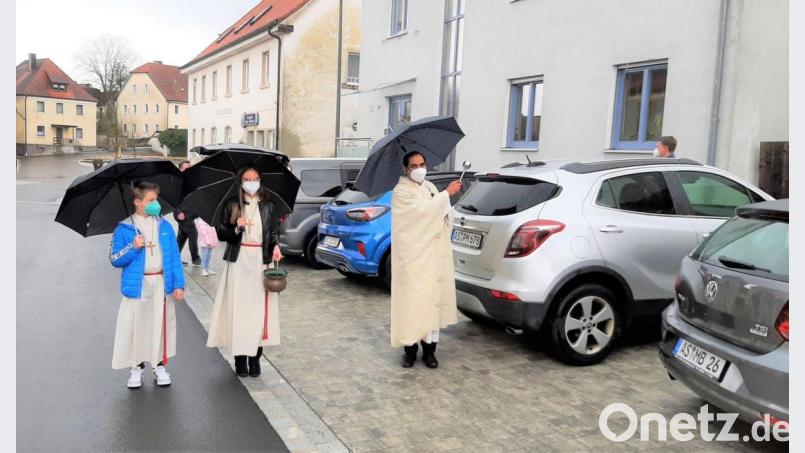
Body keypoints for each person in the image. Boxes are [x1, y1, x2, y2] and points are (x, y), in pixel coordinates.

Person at [206, 167, 284, 378]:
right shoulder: (232, 204)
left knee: (258, 312)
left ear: (260, 180)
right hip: (239, 261)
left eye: (255, 178)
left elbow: (274, 231)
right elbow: (222, 234)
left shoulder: (268, 205)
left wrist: (276, 247)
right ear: (240, 182)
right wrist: (236, 227)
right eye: (247, 179)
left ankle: (255, 358)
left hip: (261, 261)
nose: (251, 182)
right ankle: (240, 359)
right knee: (239, 310)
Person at [109, 181, 185, 389]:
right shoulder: (124, 228)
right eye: (151, 200)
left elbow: (174, 257)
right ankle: (136, 367)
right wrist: (132, 247)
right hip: (139, 285)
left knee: (159, 325)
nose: (156, 204)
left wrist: (179, 284)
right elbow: (115, 259)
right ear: (138, 202)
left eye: (156, 200)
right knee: (137, 326)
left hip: (161, 282)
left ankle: (159, 365)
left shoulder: (165, 226)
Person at [391, 151, 462, 368]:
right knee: (412, 303)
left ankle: (430, 352)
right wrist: (446, 194)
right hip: (413, 260)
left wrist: (445, 206)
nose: (419, 168)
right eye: (414, 165)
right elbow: (417, 216)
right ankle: (410, 352)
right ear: (406, 169)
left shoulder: (430, 188)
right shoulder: (401, 191)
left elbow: (442, 213)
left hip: (433, 256)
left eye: (422, 164)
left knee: (432, 302)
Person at [174, 160, 201, 266]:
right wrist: (178, 213)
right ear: (180, 170)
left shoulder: (192, 182)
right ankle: (195, 258)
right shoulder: (177, 183)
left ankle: (175, 258)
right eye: (186, 169)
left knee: (182, 236)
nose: (189, 171)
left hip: (190, 214)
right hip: (183, 215)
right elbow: (174, 201)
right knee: (192, 234)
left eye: (190, 168)